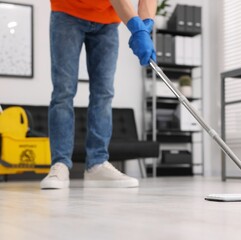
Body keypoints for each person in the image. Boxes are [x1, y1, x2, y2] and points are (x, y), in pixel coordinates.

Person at [40, 0, 157, 189]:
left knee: (104, 92)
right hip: (68, 11)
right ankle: (59, 165)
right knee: (64, 91)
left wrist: (146, 24)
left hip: (108, 21)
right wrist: (135, 27)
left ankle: (97, 164)